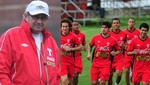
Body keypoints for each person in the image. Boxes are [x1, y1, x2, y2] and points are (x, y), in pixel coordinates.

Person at [0, 0, 60, 85]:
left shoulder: (51, 41)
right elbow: (1, 71)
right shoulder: (10, 36)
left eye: (43, 17)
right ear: (25, 16)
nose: (39, 21)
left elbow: (57, 74)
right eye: (35, 16)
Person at [60, 18, 82, 85]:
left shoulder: (73, 36)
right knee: (64, 80)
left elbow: (81, 47)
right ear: (61, 27)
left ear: (69, 27)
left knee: (70, 81)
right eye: (63, 26)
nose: (64, 28)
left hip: (70, 61)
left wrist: (71, 49)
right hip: (61, 61)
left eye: (66, 26)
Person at [108, 18, 127, 85]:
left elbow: (125, 43)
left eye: (117, 23)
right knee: (109, 76)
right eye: (114, 23)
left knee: (119, 73)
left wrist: (125, 46)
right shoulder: (108, 33)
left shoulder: (124, 34)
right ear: (112, 24)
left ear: (119, 24)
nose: (116, 24)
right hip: (110, 58)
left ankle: (116, 84)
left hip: (119, 57)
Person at [123, 18, 140, 85]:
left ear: (134, 23)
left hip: (136, 55)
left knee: (136, 72)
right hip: (127, 54)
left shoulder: (138, 32)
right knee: (126, 70)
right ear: (128, 23)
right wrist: (124, 46)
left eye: (133, 22)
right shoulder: (124, 32)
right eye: (130, 22)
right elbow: (122, 42)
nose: (131, 23)